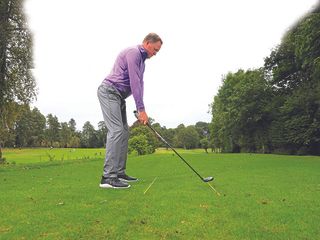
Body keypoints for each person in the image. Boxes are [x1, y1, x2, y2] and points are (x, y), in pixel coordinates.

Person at [97, 33, 163, 189]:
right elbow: (134, 81)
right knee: (116, 131)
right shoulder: (133, 53)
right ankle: (107, 177)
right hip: (109, 92)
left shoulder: (142, 62)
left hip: (119, 96)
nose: (155, 54)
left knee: (125, 132)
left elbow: (140, 85)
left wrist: (141, 109)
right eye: (155, 50)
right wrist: (141, 109)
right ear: (147, 43)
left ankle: (119, 172)